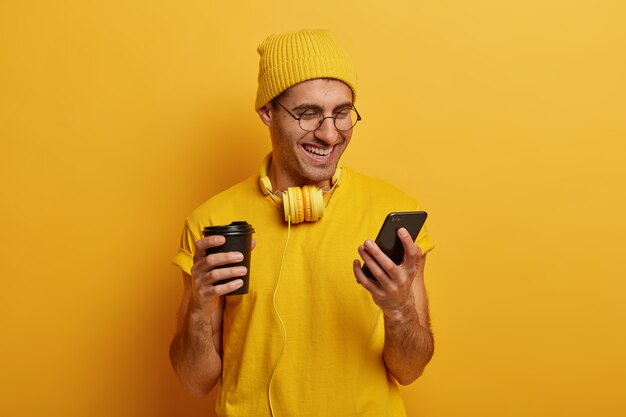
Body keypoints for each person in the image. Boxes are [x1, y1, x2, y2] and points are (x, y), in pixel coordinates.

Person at [169, 29, 435, 417]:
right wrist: (198, 307)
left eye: (342, 113)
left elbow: (410, 370)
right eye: (307, 113)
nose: (329, 134)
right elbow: (195, 382)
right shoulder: (213, 223)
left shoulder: (392, 213)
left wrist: (398, 309)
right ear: (267, 113)